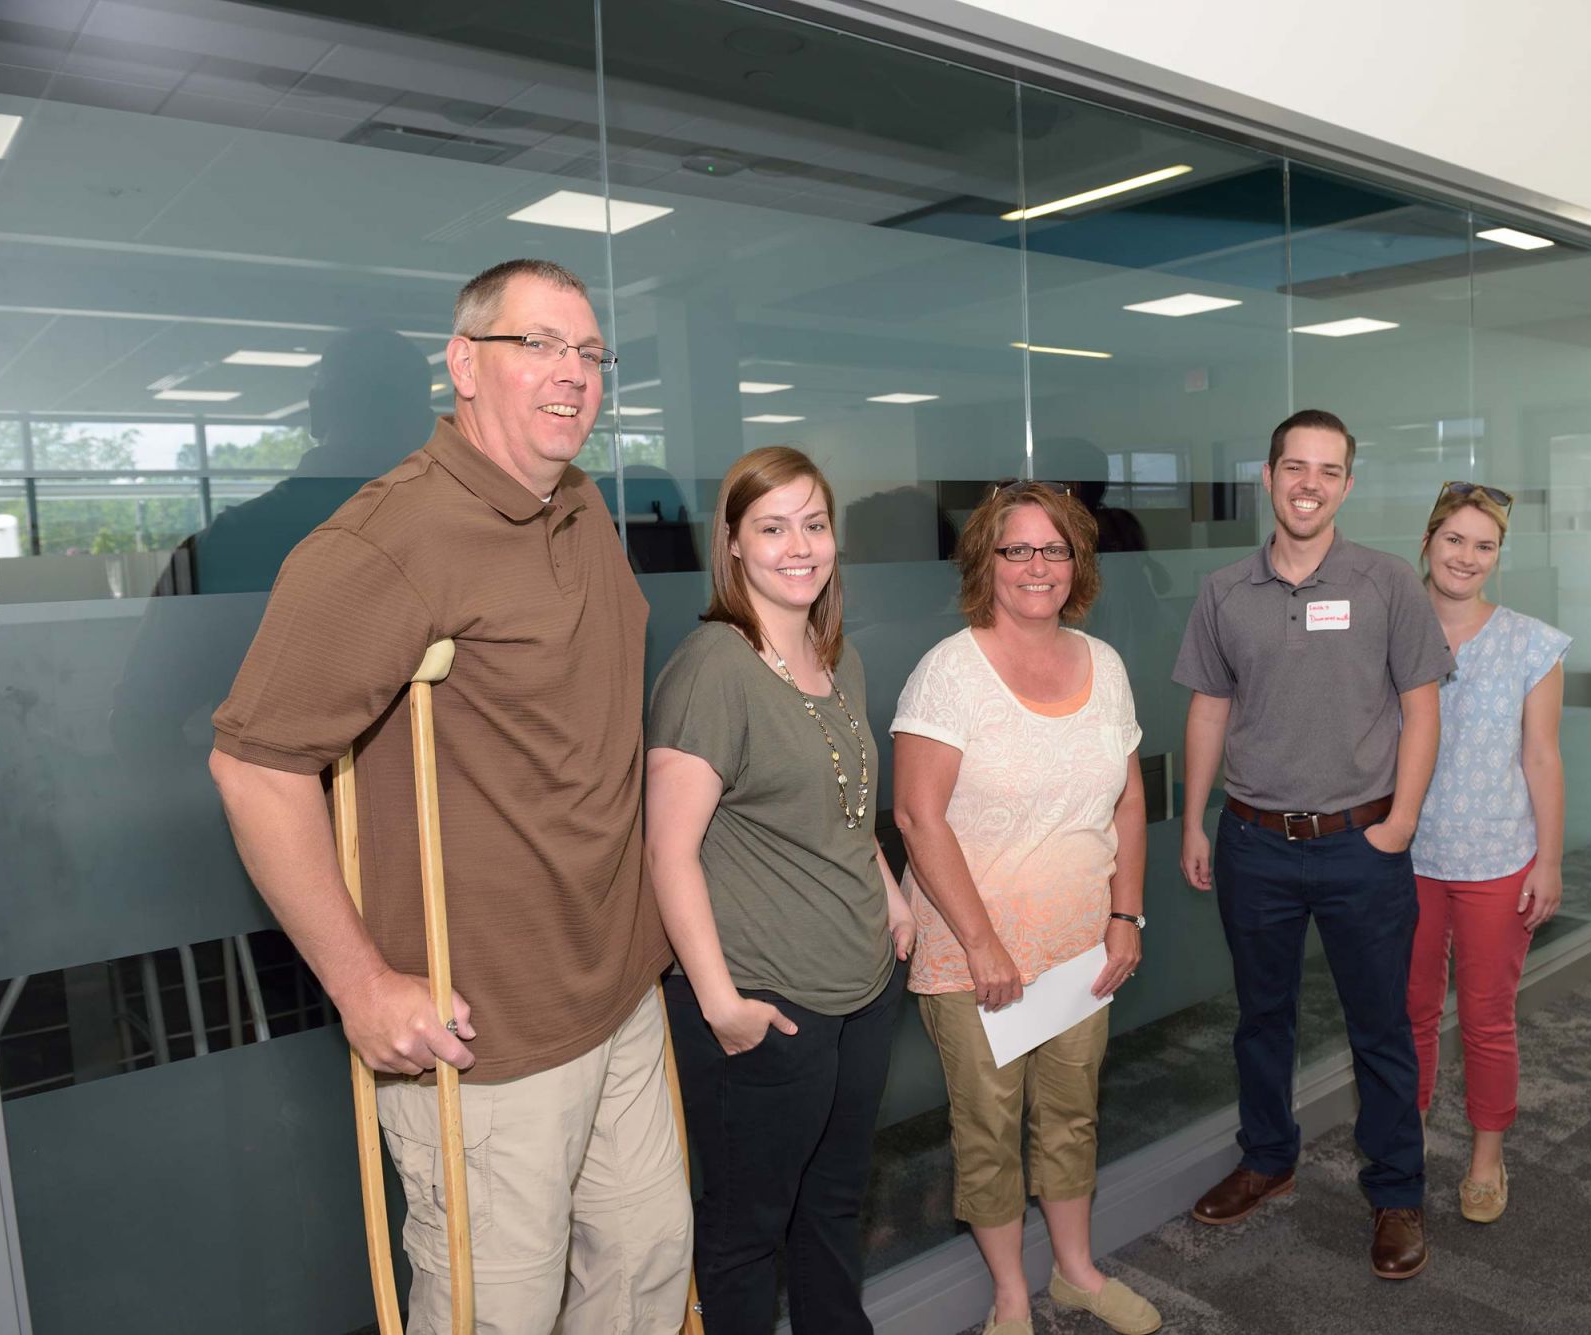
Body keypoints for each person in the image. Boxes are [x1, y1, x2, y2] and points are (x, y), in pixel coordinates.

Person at [207, 258, 691, 1332]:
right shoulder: (387, 540)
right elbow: (255, 767)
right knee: (499, 1313)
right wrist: (362, 985)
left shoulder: (580, 504)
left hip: (618, 992)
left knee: (645, 1277)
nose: (572, 373)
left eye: (590, 352)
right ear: (465, 365)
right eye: (539, 345)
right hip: (487, 1034)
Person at [1172, 408, 1454, 1280]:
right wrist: (1193, 819)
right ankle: (1268, 1158)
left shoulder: (1386, 583)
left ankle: (1396, 1190)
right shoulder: (1225, 591)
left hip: (1360, 844)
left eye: (1329, 470)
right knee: (1262, 1017)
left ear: (1348, 485)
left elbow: (1421, 710)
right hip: (1255, 842)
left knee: (1380, 1026)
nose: (1309, 484)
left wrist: (1400, 824)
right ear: (1268, 477)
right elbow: (1209, 707)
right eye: (1295, 466)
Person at [646, 445, 914, 1335]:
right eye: (772, 528)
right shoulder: (713, 668)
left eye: (814, 524)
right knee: (745, 1233)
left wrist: (892, 894)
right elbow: (668, 852)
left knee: (834, 1204)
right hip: (768, 1002)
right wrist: (721, 1003)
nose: (799, 546)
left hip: (861, 985)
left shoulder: (836, 657)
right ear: (732, 544)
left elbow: (844, 805)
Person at [892, 481, 1160, 1335]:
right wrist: (981, 942)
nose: (1037, 565)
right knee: (989, 1126)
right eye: (1017, 549)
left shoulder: (1104, 664)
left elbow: (1128, 800)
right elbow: (916, 816)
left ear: (1077, 562)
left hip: (1081, 951)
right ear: (987, 561)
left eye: (1055, 549)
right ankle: (1011, 1293)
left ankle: (1076, 1272)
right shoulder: (950, 671)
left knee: (1072, 1116)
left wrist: (1126, 916)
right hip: (978, 960)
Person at [1406, 481, 1569, 1225]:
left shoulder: (1532, 643)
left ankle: (1485, 1158)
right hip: (1405, 855)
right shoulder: (1392, 630)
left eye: (1484, 545)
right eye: (1454, 539)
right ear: (1428, 542)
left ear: (1499, 556)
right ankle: (1405, 1140)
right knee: (1407, 1012)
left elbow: (1542, 756)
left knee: (1487, 1017)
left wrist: (1550, 860)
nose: (1466, 557)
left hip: (1499, 855)